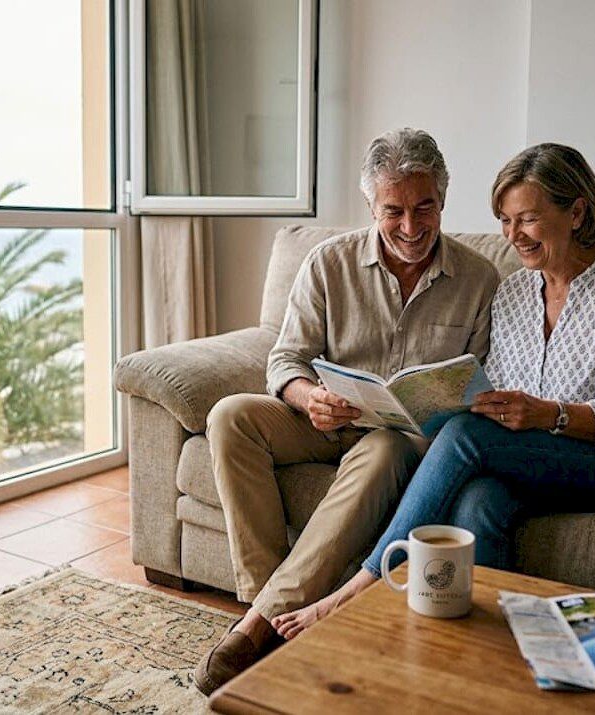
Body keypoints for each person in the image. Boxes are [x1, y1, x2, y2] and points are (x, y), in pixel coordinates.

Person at [272, 142, 595, 639]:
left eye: (528, 219)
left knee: (468, 436)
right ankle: (487, 647)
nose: (514, 236)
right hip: (544, 454)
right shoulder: (513, 291)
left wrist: (548, 414)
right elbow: (497, 387)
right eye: (506, 221)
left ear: (577, 213)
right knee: (478, 501)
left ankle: (361, 587)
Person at [194, 128, 500, 694]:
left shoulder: (480, 279)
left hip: (403, 439)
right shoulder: (327, 263)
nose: (411, 227)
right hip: (325, 420)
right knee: (230, 416)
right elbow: (285, 358)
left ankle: (255, 630)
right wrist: (306, 395)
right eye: (393, 211)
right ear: (370, 204)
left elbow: (482, 384)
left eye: (424, 207)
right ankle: (266, 603)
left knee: (384, 448)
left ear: (443, 197)